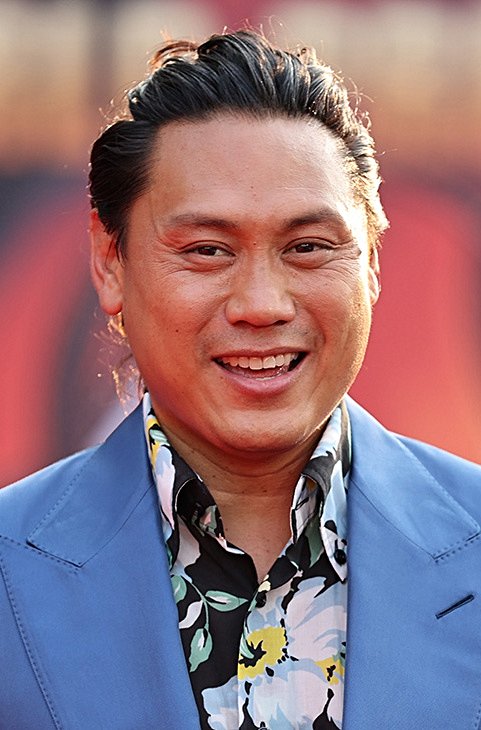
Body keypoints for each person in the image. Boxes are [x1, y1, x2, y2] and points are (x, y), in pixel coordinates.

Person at [1, 29, 480, 730]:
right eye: (207, 250)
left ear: (372, 262)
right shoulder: (11, 567)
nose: (261, 305)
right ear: (110, 263)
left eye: (307, 247)